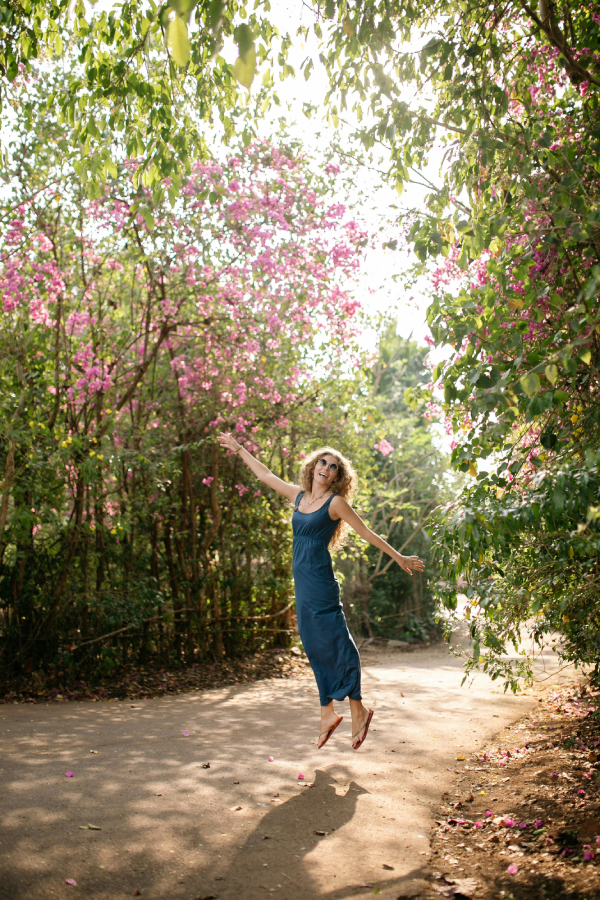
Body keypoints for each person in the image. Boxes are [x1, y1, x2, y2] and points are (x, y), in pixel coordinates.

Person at [217, 434, 425, 750]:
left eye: (333, 467)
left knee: (338, 641)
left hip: (321, 583)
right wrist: (240, 449)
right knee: (313, 644)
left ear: (338, 477)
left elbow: (366, 532)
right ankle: (328, 712)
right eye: (323, 462)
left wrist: (399, 557)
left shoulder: (335, 503)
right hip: (302, 585)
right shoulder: (299, 497)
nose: (326, 469)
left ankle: (356, 707)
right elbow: (266, 475)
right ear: (314, 467)